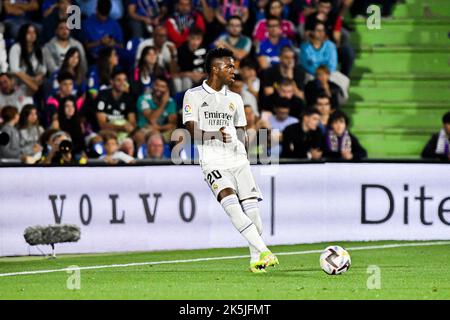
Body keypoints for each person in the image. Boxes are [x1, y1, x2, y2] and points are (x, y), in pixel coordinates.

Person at [182, 47, 278, 273]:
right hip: (213, 162)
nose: (234, 70)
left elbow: (242, 132)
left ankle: (256, 260)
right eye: (229, 66)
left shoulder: (235, 98)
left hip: (238, 160)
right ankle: (265, 250)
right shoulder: (193, 95)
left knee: (252, 210)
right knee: (231, 206)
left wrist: (247, 149)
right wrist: (215, 135)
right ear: (215, 69)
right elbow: (190, 130)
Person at [95, 69, 136, 142]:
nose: (122, 83)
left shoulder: (129, 97)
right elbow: (102, 124)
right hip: (106, 131)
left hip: (124, 132)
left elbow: (132, 122)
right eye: (118, 80)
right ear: (111, 81)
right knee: (106, 137)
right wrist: (121, 127)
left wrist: (127, 128)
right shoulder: (103, 96)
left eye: (124, 80)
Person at [8, 23, 47, 95]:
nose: (32, 35)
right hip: (18, 80)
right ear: (23, 34)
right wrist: (31, 79)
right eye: (29, 32)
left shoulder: (40, 49)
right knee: (34, 87)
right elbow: (15, 70)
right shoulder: (16, 47)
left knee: (45, 83)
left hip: (35, 80)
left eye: (34, 32)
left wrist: (39, 76)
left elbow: (43, 69)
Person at [136, 76, 177, 141]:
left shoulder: (171, 102)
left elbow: (172, 124)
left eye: (163, 87)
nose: (159, 88)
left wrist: (159, 128)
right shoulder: (143, 99)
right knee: (155, 134)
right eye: (157, 85)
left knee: (179, 135)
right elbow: (152, 119)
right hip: (145, 130)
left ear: (167, 90)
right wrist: (163, 103)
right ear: (153, 85)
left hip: (162, 130)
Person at [173, 27, 207, 93]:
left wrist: (202, 75)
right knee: (186, 81)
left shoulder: (205, 50)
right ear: (188, 38)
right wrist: (189, 74)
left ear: (201, 39)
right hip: (186, 77)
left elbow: (210, 71)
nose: (195, 42)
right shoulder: (181, 50)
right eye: (193, 38)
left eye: (198, 39)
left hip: (201, 77)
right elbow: (175, 73)